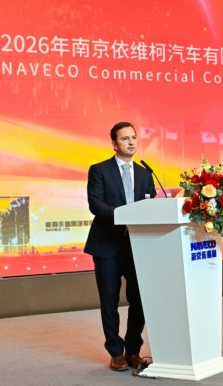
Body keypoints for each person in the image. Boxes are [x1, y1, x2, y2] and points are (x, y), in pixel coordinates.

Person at [85, 121, 157, 372]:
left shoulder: (145, 173)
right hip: (107, 244)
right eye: (125, 138)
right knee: (110, 300)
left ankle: (133, 350)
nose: (131, 142)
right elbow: (95, 204)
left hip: (138, 245)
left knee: (140, 299)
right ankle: (116, 353)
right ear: (114, 144)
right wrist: (124, 215)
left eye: (134, 137)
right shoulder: (99, 170)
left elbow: (151, 205)